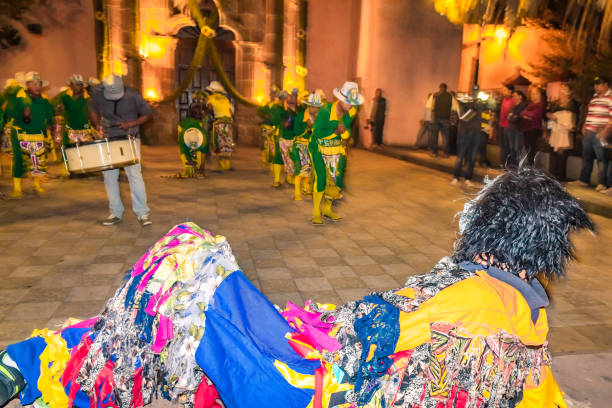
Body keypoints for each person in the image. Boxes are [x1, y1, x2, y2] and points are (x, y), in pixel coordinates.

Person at [0, 166, 593, 408]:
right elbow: (548, 395)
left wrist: (317, 327)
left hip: (313, 393)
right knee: (177, 322)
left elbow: (371, 336)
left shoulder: (477, 296)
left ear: (494, 230)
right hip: (348, 373)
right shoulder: (528, 313)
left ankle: (27, 367)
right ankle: (30, 366)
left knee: (188, 266)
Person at [89, 74, 153, 226]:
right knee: (109, 176)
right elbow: (92, 109)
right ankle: (115, 212)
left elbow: (147, 114)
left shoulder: (133, 95)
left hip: (130, 137)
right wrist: (97, 125)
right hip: (108, 137)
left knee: (134, 174)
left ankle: (143, 213)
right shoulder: (98, 93)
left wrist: (131, 123)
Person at [310, 81, 362, 225]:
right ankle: (316, 212)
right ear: (340, 98)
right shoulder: (325, 111)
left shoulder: (352, 110)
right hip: (318, 147)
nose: (350, 105)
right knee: (321, 178)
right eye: (347, 102)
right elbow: (316, 132)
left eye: (353, 103)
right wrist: (334, 131)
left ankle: (327, 209)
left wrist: (346, 133)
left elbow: (348, 129)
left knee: (335, 179)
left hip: (336, 149)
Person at [7, 72, 54, 198]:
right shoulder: (19, 97)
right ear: (27, 85)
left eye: (39, 84)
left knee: (37, 160)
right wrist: (22, 114)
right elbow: (9, 110)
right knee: (19, 159)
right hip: (20, 133)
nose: (37, 86)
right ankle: (17, 188)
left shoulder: (44, 100)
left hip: (37, 134)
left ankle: (37, 184)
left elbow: (50, 114)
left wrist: (49, 125)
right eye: (34, 84)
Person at [570, 75, 612, 192]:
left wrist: (605, 131)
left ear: (606, 85)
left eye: (599, 84)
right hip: (589, 132)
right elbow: (589, 113)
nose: (596, 87)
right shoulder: (594, 97)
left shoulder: (610, 97)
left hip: (601, 133)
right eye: (595, 85)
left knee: (601, 158)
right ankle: (584, 180)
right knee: (586, 157)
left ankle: (602, 183)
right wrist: (584, 126)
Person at [290, 91, 323, 201]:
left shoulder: (319, 118)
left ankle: (306, 189)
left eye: (318, 107)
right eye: (314, 107)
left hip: (312, 146)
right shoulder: (300, 117)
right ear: (309, 106)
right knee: (300, 169)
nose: (316, 110)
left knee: (310, 169)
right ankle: (297, 192)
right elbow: (295, 131)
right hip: (300, 145)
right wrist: (306, 128)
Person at [547, 83, 579, 181]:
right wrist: (550, 118)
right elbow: (549, 115)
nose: (562, 93)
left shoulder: (573, 104)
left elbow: (572, 122)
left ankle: (560, 177)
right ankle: (552, 176)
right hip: (555, 132)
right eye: (561, 90)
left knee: (562, 155)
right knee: (553, 154)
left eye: (564, 90)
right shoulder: (556, 103)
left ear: (569, 92)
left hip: (565, 133)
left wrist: (558, 120)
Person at [451, 88, 483, 186]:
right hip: (464, 133)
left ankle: (468, 179)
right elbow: (463, 117)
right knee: (460, 156)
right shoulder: (462, 102)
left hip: (476, 134)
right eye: (473, 92)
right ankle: (456, 177)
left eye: (477, 92)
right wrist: (473, 107)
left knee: (472, 158)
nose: (474, 94)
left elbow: (486, 116)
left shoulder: (481, 103)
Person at [205, 81, 234, 171]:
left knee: (217, 143)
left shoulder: (210, 98)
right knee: (227, 143)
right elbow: (230, 111)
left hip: (219, 122)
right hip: (228, 122)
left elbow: (209, 108)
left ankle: (220, 165)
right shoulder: (225, 99)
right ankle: (227, 164)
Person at [177, 102, 208, 178]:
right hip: (196, 152)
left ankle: (191, 169)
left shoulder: (181, 124)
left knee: (191, 171)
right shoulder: (202, 127)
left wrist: (189, 160)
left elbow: (182, 145)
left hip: (185, 152)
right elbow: (204, 148)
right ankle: (195, 169)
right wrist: (202, 167)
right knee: (195, 172)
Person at [429, 82, 458, 157]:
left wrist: (430, 117)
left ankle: (434, 152)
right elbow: (455, 108)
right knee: (445, 136)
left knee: (434, 136)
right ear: (446, 88)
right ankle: (446, 153)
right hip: (446, 119)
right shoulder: (451, 96)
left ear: (439, 87)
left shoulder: (435, 95)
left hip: (436, 118)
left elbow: (430, 107)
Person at [521, 86, 546, 164]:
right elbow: (522, 113)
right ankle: (529, 167)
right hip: (526, 129)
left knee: (532, 150)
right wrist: (528, 115)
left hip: (534, 129)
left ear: (539, 95)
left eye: (535, 94)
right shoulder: (530, 104)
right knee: (527, 149)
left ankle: (531, 168)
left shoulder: (540, 104)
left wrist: (527, 115)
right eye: (532, 94)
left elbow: (536, 114)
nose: (533, 95)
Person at [506, 90, 528, 166]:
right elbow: (508, 116)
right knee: (512, 147)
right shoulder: (514, 106)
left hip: (518, 129)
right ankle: (513, 164)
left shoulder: (523, 105)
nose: (514, 98)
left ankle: (517, 165)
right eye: (513, 96)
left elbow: (518, 118)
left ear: (520, 96)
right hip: (511, 128)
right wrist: (512, 116)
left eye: (515, 96)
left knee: (517, 147)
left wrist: (512, 116)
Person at [497, 83, 516, 165]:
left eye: (505, 90)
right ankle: (502, 162)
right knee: (502, 145)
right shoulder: (504, 99)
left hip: (508, 126)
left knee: (507, 145)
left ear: (510, 91)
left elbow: (510, 112)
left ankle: (508, 163)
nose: (503, 91)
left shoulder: (513, 100)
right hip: (501, 125)